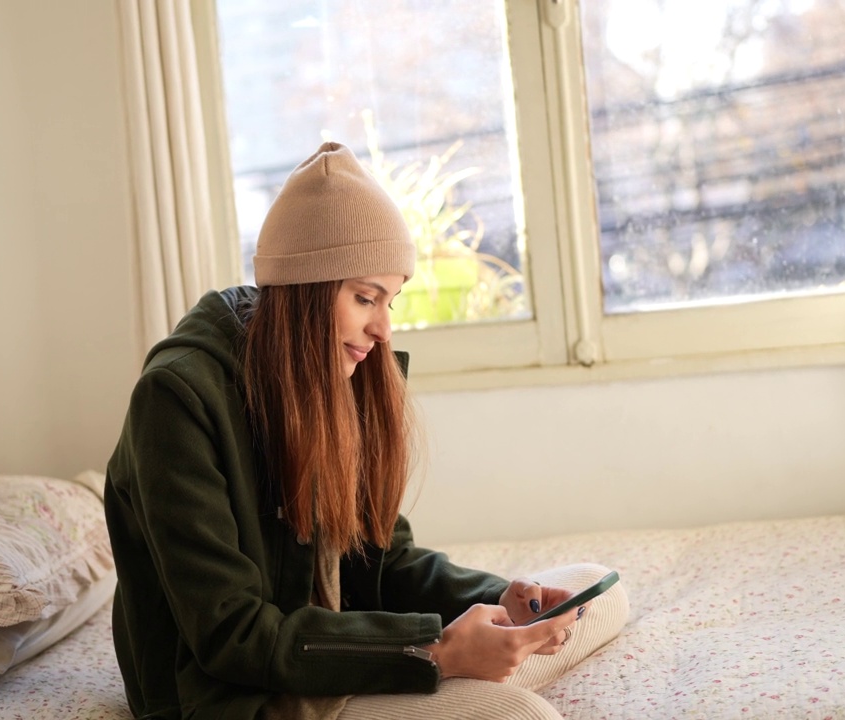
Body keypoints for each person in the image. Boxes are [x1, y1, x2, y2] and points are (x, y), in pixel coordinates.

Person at [104, 141, 628, 720]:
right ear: (304, 289)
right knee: (518, 716)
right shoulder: (176, 401)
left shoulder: (333, 371)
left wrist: (497, 598)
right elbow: (231, 634)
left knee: (597, 592)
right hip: (234, 693)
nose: (382, 329)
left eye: (391, 301)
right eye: (364, 298)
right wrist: (435, 651)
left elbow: (384, 562)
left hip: (340, 647)